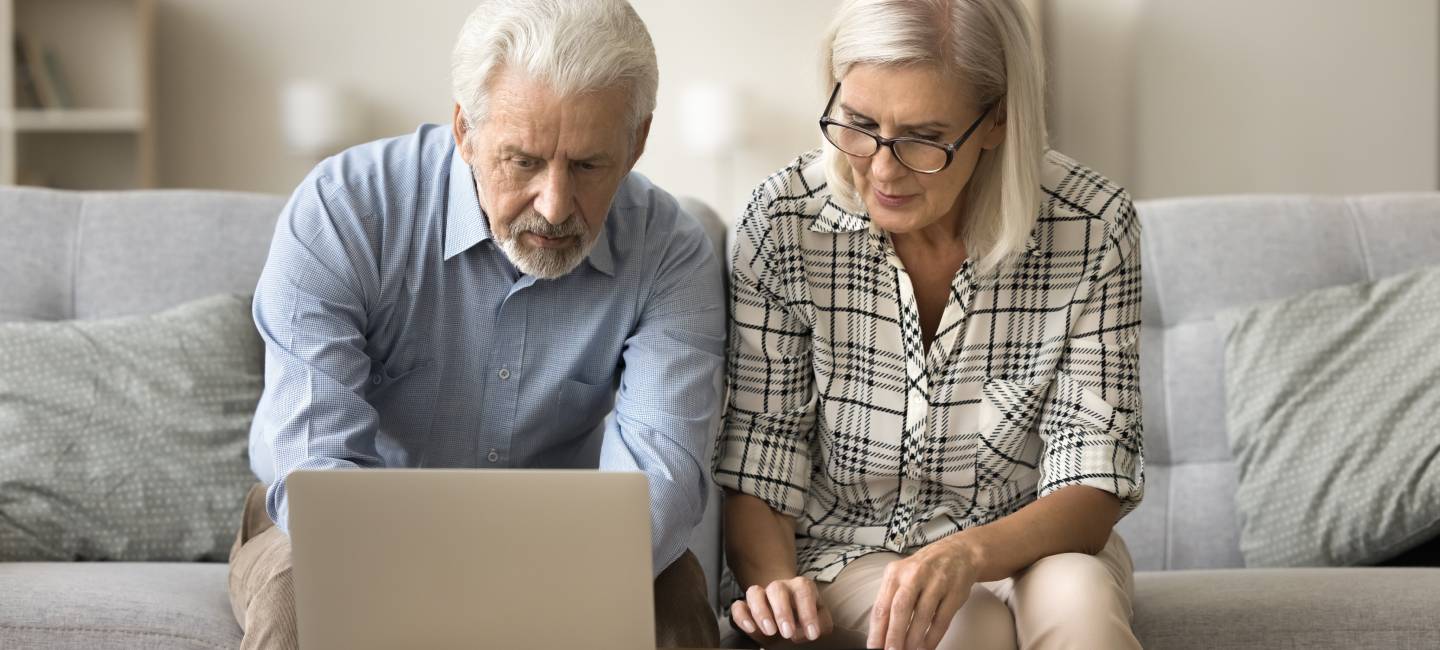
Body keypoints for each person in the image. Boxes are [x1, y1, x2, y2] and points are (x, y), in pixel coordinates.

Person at [227, 1, 726, 647]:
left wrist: (527, 584)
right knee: (302, 610)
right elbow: (315, 465)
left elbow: (660, 483)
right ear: (465, 130)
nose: (553, 206)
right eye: (522, 161)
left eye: (587, 166)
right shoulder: (345, 208)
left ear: (637, 142)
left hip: (566, 542)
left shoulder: (669, 249)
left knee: (676, 608)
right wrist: (444, 586)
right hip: (336, 529)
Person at [713, 0, 1144, 649]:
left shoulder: (1093, 225)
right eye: (858, 124)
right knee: (963, 628)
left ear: (998, 118)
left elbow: (1094, 476)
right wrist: (775, 583)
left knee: (1080, 603)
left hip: (1035, 548)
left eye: (922, 138)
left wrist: (968, 554)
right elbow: (760, 457)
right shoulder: (783, 222)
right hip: (845, 551)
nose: (882, 170)